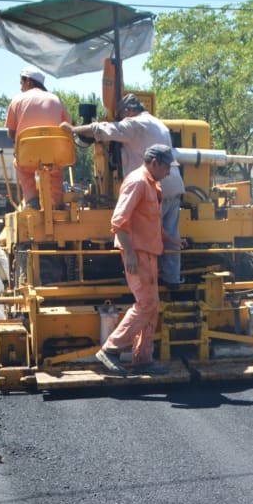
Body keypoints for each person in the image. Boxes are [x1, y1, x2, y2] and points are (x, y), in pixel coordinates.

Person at [64, 94, 186, 287]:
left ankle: (142, 280)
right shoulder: (157, 123)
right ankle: (171, 279)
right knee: (170, 234)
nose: (123, 120)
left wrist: (73, 129)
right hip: (174, 184)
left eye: (122, 116)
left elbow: (103, 130)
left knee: (146, 236)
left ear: (128, 111)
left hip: (154, 187)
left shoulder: (135, 124)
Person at [94, 144, 175, 377]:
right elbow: (119, 222)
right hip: (137, 254)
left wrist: (170, 239)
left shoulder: (152, 184)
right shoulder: (138, 182)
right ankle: (111, 349)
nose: (169, 172)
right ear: (154, 163)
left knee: (152, 307)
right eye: (167, 167)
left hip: (148, 252)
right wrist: (129, 254)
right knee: (146, 305)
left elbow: (149, 222)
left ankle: (143, 359)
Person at [5, 66, 73, 210]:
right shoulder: (56, 99)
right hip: (55, 156)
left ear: (29, 81)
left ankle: (32, 200)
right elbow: (70, 126)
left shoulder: (17, 100)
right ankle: (58, 203)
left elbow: (11, 133)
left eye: (21, 83)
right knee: (55, 171)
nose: (21, 87)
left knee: (20, 165)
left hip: (28, 157)